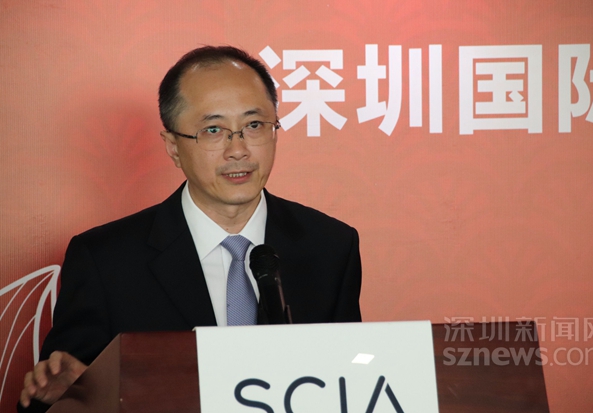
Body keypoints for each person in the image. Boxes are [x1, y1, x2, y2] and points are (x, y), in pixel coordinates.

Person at [18, 46, 362, 412]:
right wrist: (75, 397)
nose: (238, 150)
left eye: (254, 125)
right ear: (173, 147)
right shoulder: (106, 261)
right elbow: (50, 397)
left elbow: (355, 386)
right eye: (213, 130)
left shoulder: (329, 247)